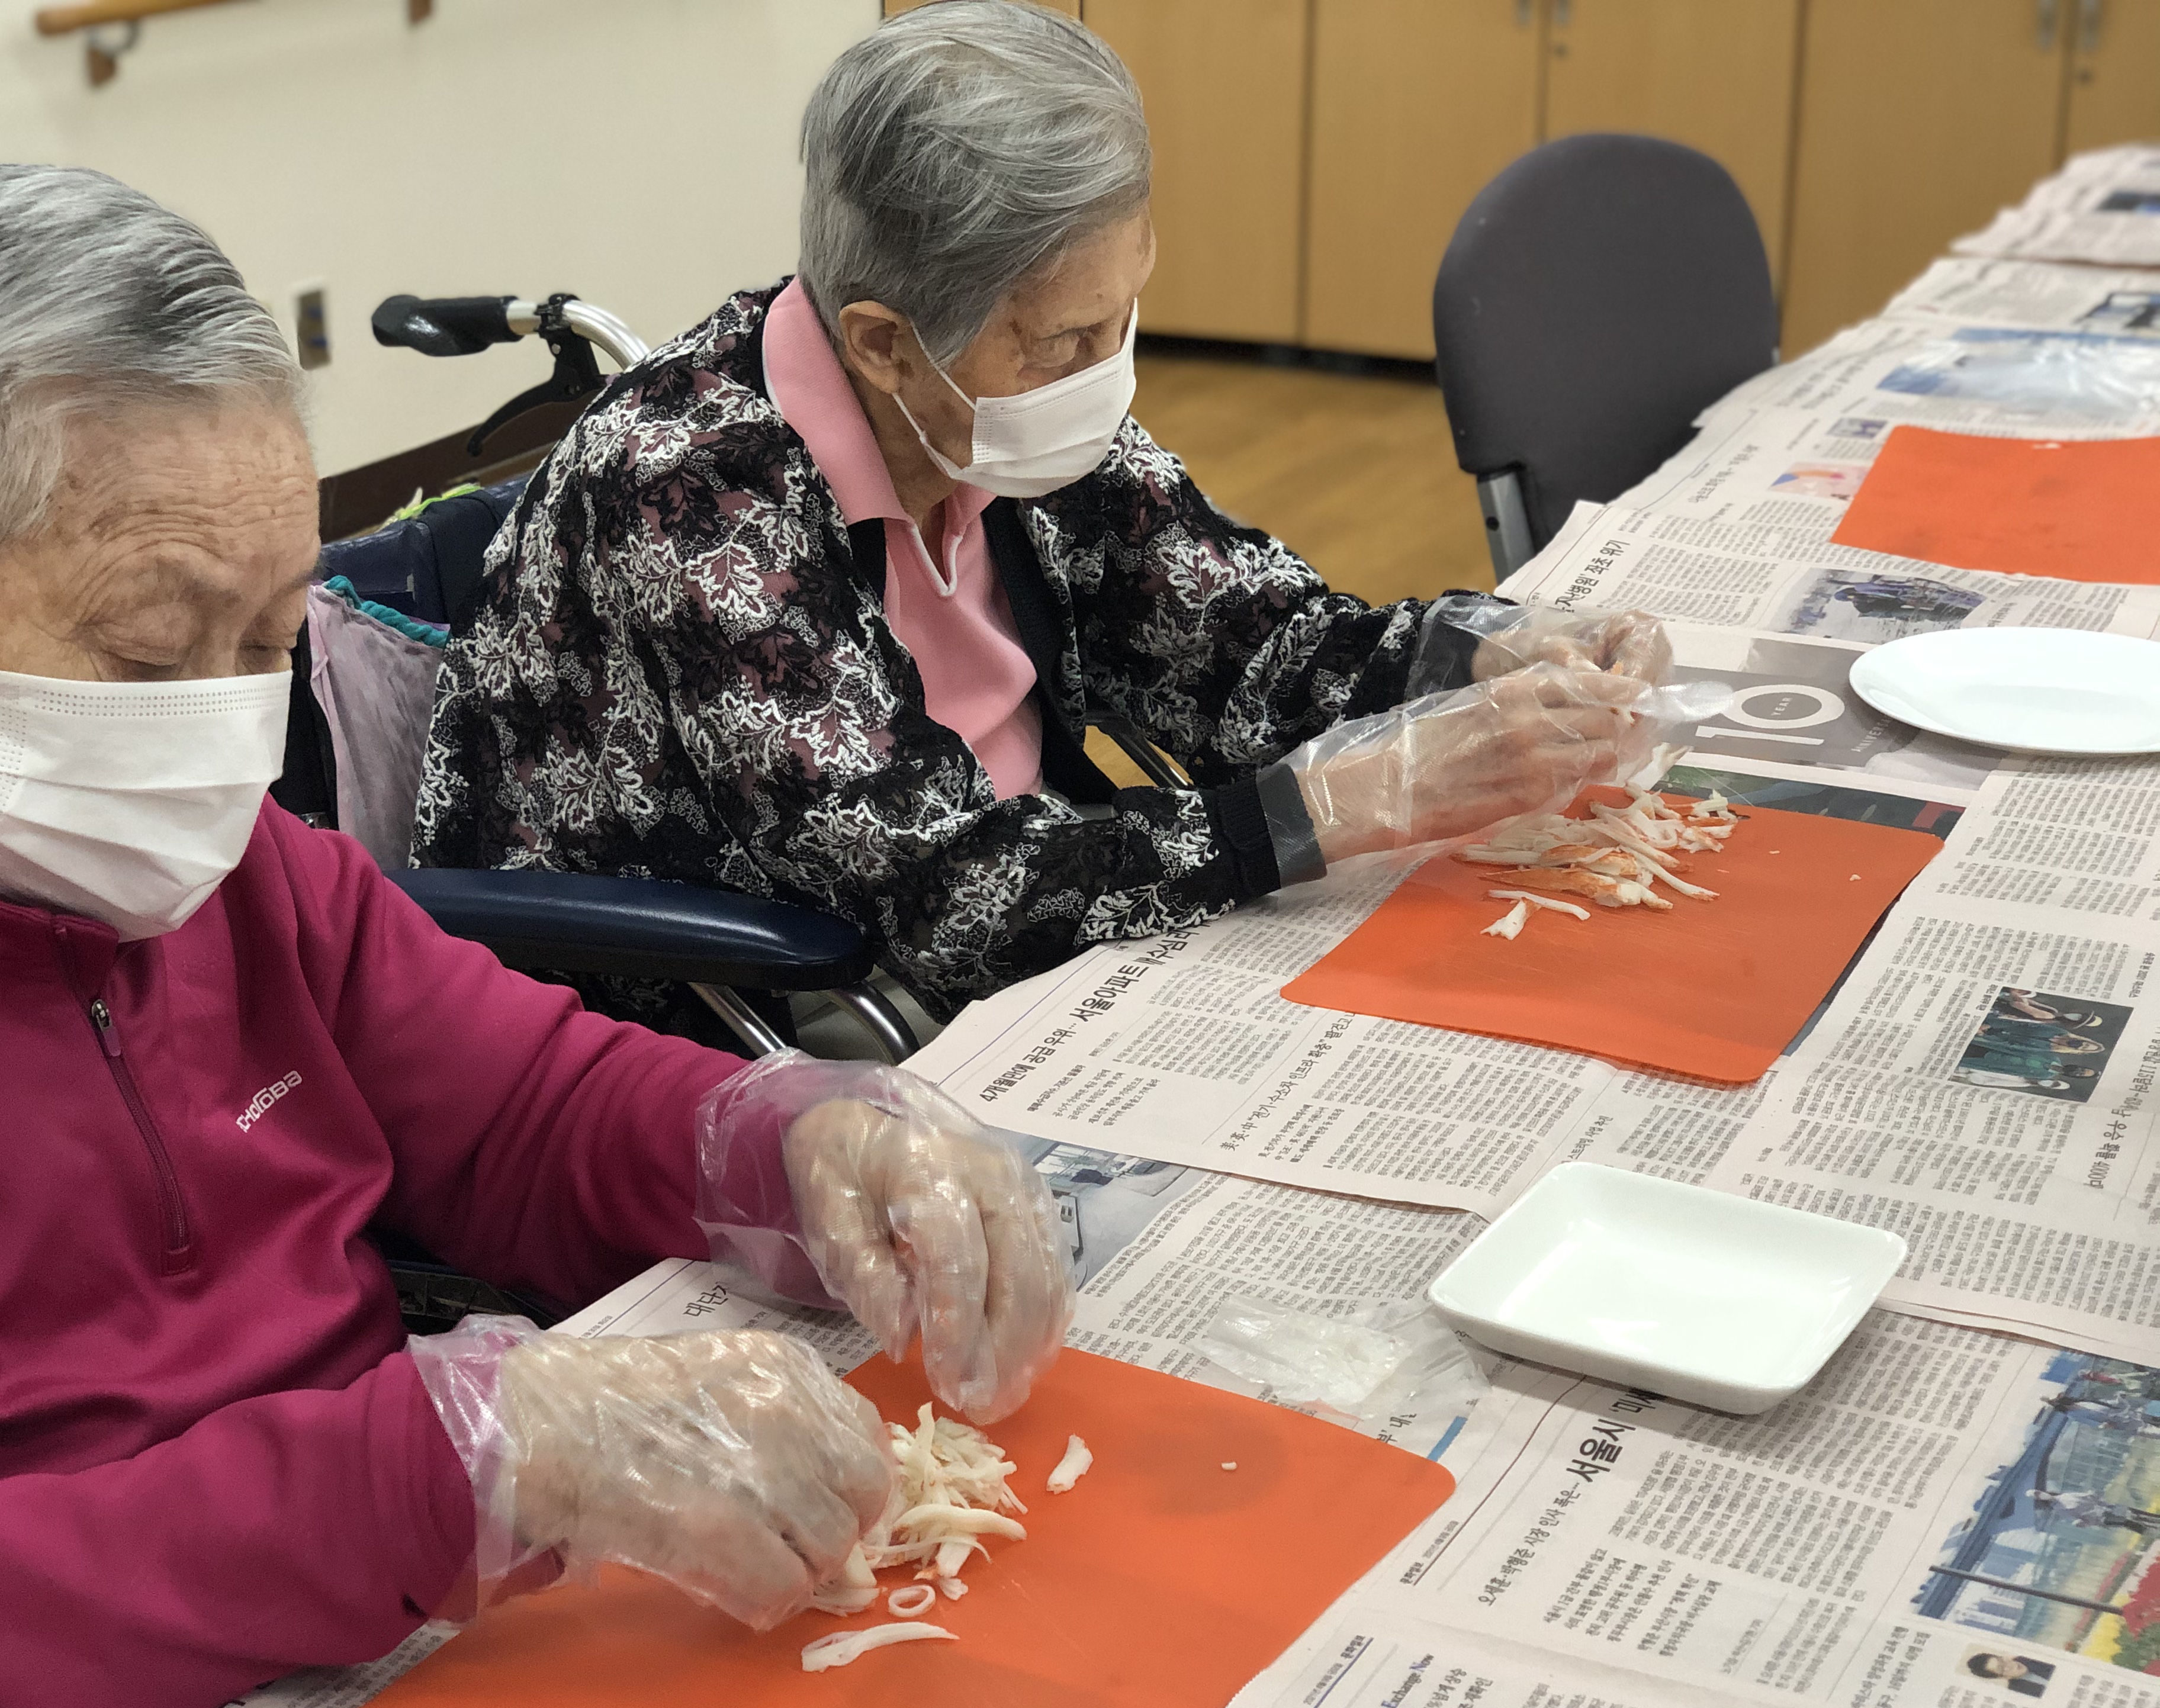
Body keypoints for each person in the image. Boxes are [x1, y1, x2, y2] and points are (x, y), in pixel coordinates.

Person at [0, 165, 1072, 1708]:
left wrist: (795, 1145)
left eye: (268, 646)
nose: (222, 737)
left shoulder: (236, 872)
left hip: (381, 1629)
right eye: (146, 650)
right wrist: (460, 1460)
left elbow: (524, 1108)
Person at [413, 0, 1670, 1032]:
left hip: (1031, 909)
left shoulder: (992, 408)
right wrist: (1339, 805)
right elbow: (944, 897)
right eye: (1065, 340)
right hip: (753, 1006)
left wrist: (1484, 652)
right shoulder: (692, 493)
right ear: (883, 344)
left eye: (1124, 314)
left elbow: (1240, 640)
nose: (1105, 376)